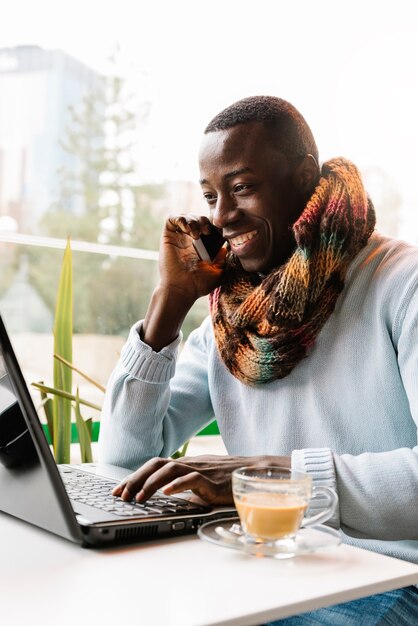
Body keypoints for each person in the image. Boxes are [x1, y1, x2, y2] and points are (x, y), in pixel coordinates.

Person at [98, 96, 418, 624]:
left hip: (396, 577)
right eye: (209, 195)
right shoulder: (232, 324)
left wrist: (272, 476)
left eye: (242, 188)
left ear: (304, 177)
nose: (221, 215)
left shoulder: (400, 284)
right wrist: (170, 302)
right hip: (274, 567)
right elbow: (123, 458)